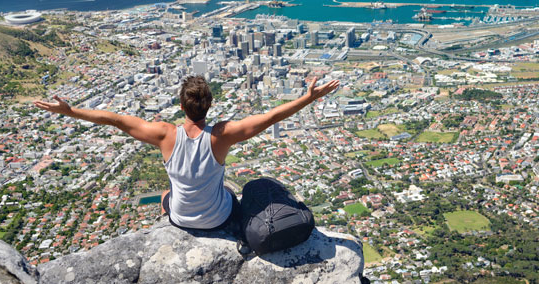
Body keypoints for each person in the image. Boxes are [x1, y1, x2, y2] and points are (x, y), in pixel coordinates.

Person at [33, 75, 339, 235]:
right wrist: (309, 97)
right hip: (219, 220)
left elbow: (114, 119)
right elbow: (271, 118)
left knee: (167, 192)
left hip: (180, 219)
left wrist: (70, 111)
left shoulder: (165, 135)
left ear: (182, 106)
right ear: (209, 106)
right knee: (230, 192)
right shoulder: (221, 135)